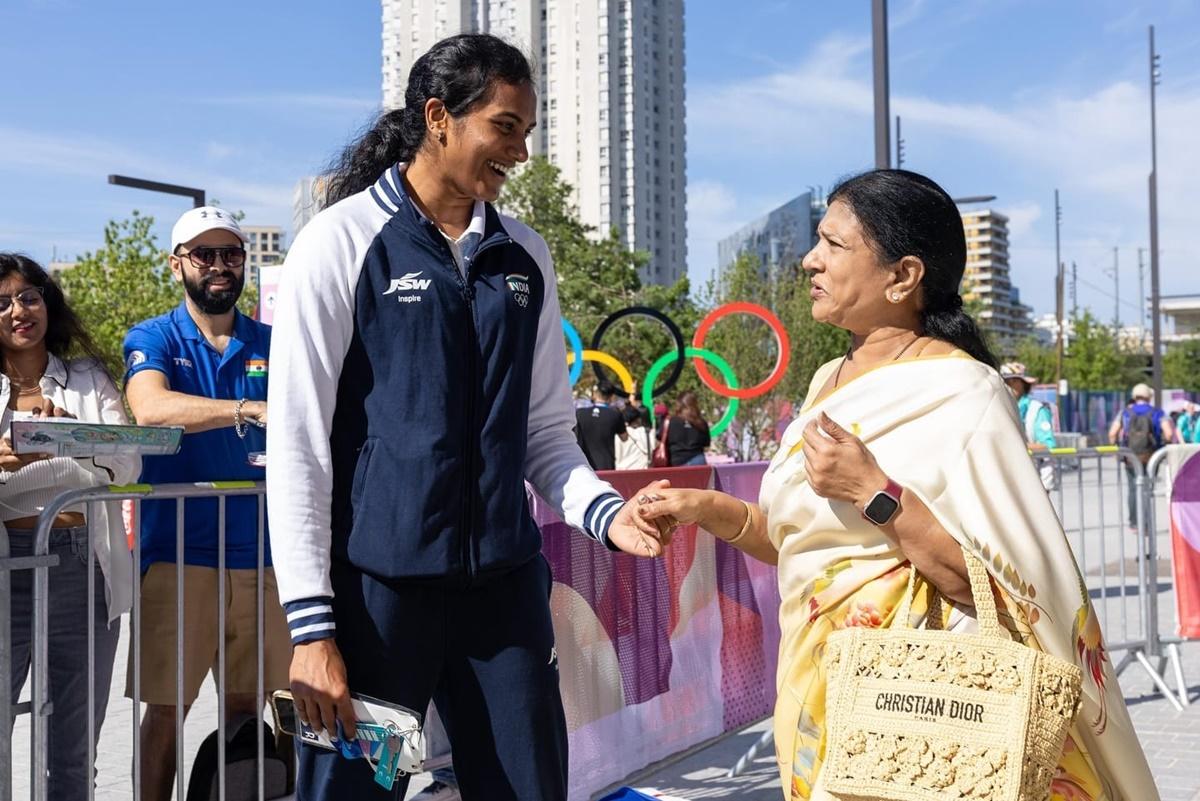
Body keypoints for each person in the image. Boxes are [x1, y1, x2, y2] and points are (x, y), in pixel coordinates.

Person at [636, 170, 1158, 800]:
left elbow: (999, 589)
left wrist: (875, 491)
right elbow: (802, 543)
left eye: (833, 245)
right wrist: (702, 507)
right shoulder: (829, 376)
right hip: (815, 691)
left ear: (903, 276)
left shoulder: (963, 391)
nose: (809, 261)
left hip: (918, 712)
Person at [265, 34, 666, 801]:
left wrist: (607, 516)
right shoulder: (340, 242)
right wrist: (313, 628)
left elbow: (545, 435)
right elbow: (298, 450)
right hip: (374, 598)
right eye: (505, 128)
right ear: (439, 117)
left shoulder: (527, 256)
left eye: (527, 132)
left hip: (502, 597)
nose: (519, 153)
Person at [122, 207, 291, 801]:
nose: (220, 266)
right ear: (177, 265)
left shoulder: (276, 340)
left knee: (254, 707)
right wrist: (251, 411)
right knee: (167, 709)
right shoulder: (153, 336)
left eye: (231, 254)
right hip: (179, 553)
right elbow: (151, 408)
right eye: (204, 254)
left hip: (268, 556)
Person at [0, 253, 140, 799]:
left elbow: (129, 464)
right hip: (5, 566)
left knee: (73, 748)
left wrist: (73, 436)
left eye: (28, 296)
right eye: (3, 301)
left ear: (47, 303)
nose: (18, 310)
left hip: (83, 566)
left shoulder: (87, 377)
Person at [1107, 383, 1173, 533]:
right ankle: (1147, 524)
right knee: (1148, 489)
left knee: (1132, 489)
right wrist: (1165, 447)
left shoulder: (1125, 412)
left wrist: (1115, 450)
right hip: (1151, 456)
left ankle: (1134, 523)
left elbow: (1112, 433)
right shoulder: (1157, 412)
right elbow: (1168, 433)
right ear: (1149, 397)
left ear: (1134, 396)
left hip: (1131, 457)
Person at [999, 361, 1058, 490]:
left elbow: (1048, 445)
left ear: (1022, 383)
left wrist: (1016, 445)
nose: (1008, 385)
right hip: (1007, 480)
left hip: (1034, 481)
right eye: (1004, 381)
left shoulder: (1037, 410)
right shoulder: (999, 408)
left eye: (1013, 381)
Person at [575, 382, 627, 470]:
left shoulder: (580, 413)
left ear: (595, 394)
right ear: (611, 397)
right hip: (606, 464)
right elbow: (624, 438)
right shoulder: (615, 414)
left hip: (583, 465)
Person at [665, 391, 710, 466]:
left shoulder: (671, 421)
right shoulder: (701, 423)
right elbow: (706, 443)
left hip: (677, 460)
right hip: (697, 458)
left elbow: (663, 439)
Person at [614, 403, 652, 470]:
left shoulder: (618, 435)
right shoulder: (646, 432)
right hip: (643, 471)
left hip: (622, 472)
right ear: (638, 419)